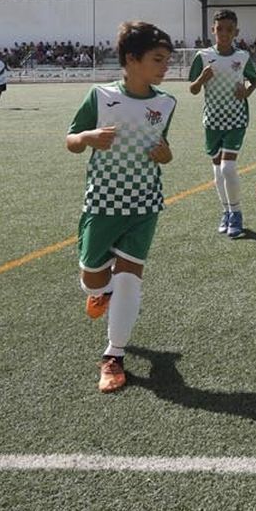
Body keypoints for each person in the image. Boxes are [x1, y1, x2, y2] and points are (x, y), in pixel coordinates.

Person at [66, 20, 177, 393]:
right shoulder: (99, 96)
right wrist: (88, 137)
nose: (165, 67)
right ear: (131, 59)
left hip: (144, 203)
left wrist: (166, 156)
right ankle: (102, 290)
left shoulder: (165, 103)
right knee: (91, 279)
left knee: (130, 279)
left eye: (167, 60)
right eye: (158, 59)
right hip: (102, 204)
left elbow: (162, 150)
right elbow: (71, 140)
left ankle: (113, 356)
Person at [188, 10, 256, 239]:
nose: (224, 34)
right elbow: (193, 88)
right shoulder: (203, 56)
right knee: (218, 170)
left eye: (229, 29)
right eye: (220, 29)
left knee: (228, 167)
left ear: (236, 32)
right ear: (213, 30)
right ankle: (226, 211)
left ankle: (237, 213)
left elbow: (255, 79)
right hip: (212, 120)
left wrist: (246, 91)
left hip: (236, 119)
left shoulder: (242, 56)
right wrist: (201, 79)